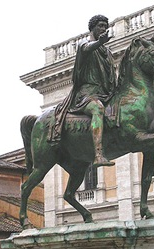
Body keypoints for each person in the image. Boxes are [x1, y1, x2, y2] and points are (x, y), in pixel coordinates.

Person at [49, 15, 116, 167]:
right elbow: (86, 49)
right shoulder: (84, 44)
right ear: (92, 28)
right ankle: (98, 155)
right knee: (97, 109)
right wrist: (99, 43)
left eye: (106, 26)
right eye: (100, 26)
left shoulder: (106, 51)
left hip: (105, 93)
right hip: (86, 95)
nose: (104, 29)